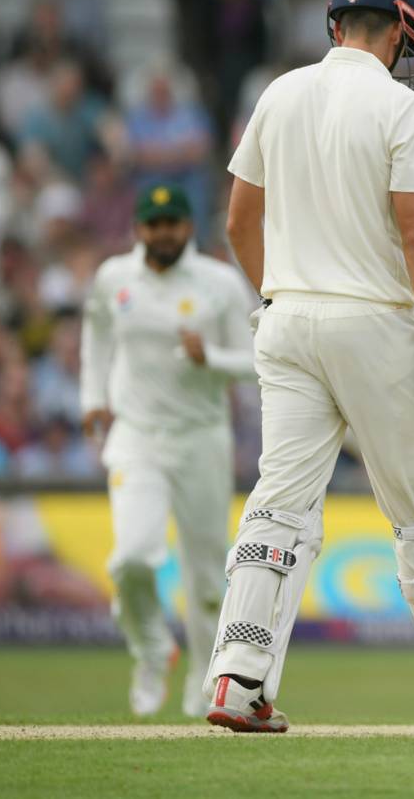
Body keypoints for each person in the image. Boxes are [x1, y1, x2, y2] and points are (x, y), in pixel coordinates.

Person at [204, 0, 414, 735]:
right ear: (399, 40)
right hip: (373, 326)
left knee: (279, 506)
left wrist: (272, 299)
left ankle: (236, 679)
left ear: (336, 28)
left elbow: (236, 220)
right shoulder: (399, 105)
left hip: (285, 323)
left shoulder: (277, 92)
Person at [79, 183, 257, 718]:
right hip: (136, 435)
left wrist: (213, 360)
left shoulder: (219, 283)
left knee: (206, 581)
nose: (163, 234)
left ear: (189, 228)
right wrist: (93, 399)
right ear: (139, 229)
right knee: (131, 558)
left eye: (173, 224)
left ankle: (203, 688)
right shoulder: (115, 278)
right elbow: (97, 339)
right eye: (153, 225)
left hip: (202, 437)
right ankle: (152, 648)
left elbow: (254, 359)